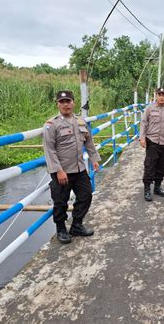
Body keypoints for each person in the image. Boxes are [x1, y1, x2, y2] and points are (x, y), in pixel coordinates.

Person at [43, 90, 101, 244]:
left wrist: (94, 159)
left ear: (73, 103)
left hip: (79, 168)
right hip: (62, 171)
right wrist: (58, 170)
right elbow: (49, 150)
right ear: (58, 104)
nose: (65, 105)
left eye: (68, 101)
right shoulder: (51, 125)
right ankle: (61, 229)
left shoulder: (81, 122)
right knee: (60, 201)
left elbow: (89, 142)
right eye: (62, 102)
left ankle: (76, 225)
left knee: (86, 195)